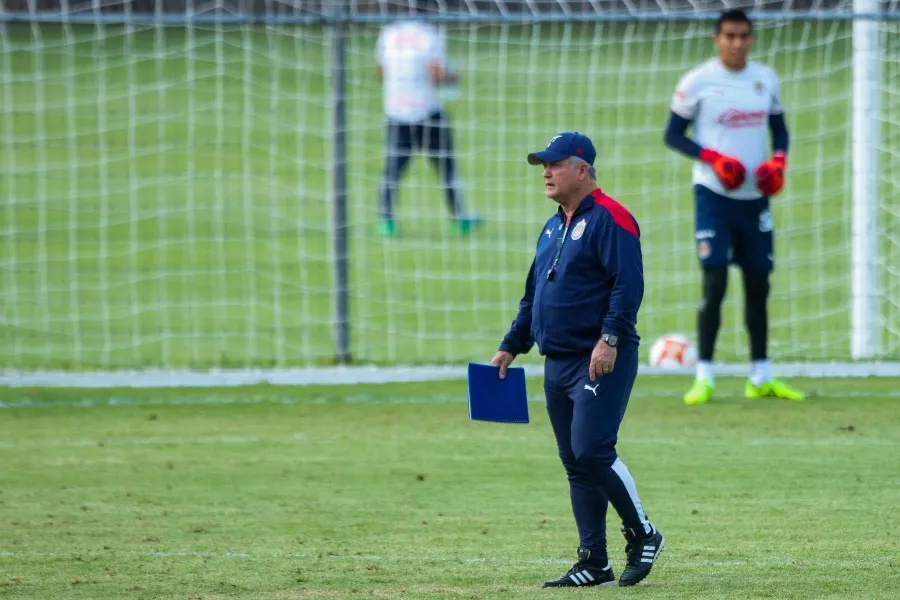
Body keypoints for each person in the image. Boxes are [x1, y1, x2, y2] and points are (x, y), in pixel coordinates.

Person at [490, 132, 664, 588]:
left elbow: (628, 284)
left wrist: (609, 338)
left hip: (599, 358)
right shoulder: (552, 227)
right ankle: (594, 562)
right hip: (557, 362)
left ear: (582, 169)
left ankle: (643, 532)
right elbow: (533, 296)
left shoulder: (611, 217)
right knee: (575, 462)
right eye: (543, 166)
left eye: (555, 164)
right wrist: (511, 344)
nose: (546, 173)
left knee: (592, 451)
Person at [664, 9, 805, 405]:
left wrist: (779, 162)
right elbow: (673, 134)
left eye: (743, 36)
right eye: (730, 36)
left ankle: (760, 375)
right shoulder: (698, 82)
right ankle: (704, 376)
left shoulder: (765, 79)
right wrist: (713, 158)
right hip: (713, 194)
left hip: (754, 197)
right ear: (717, 38)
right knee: (715, 282)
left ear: (751, 38)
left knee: (759, 284)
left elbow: (780, 130)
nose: (737, 43)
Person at [374, 13, 480, 238]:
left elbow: (380, 72)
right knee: (446, 167)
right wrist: (452, 77)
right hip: (427, 111)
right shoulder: (431, 34)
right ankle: (459, 218)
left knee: (393, 169)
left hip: (396, 111)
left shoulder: (389, 33)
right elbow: (435, 74)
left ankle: (386, 222)